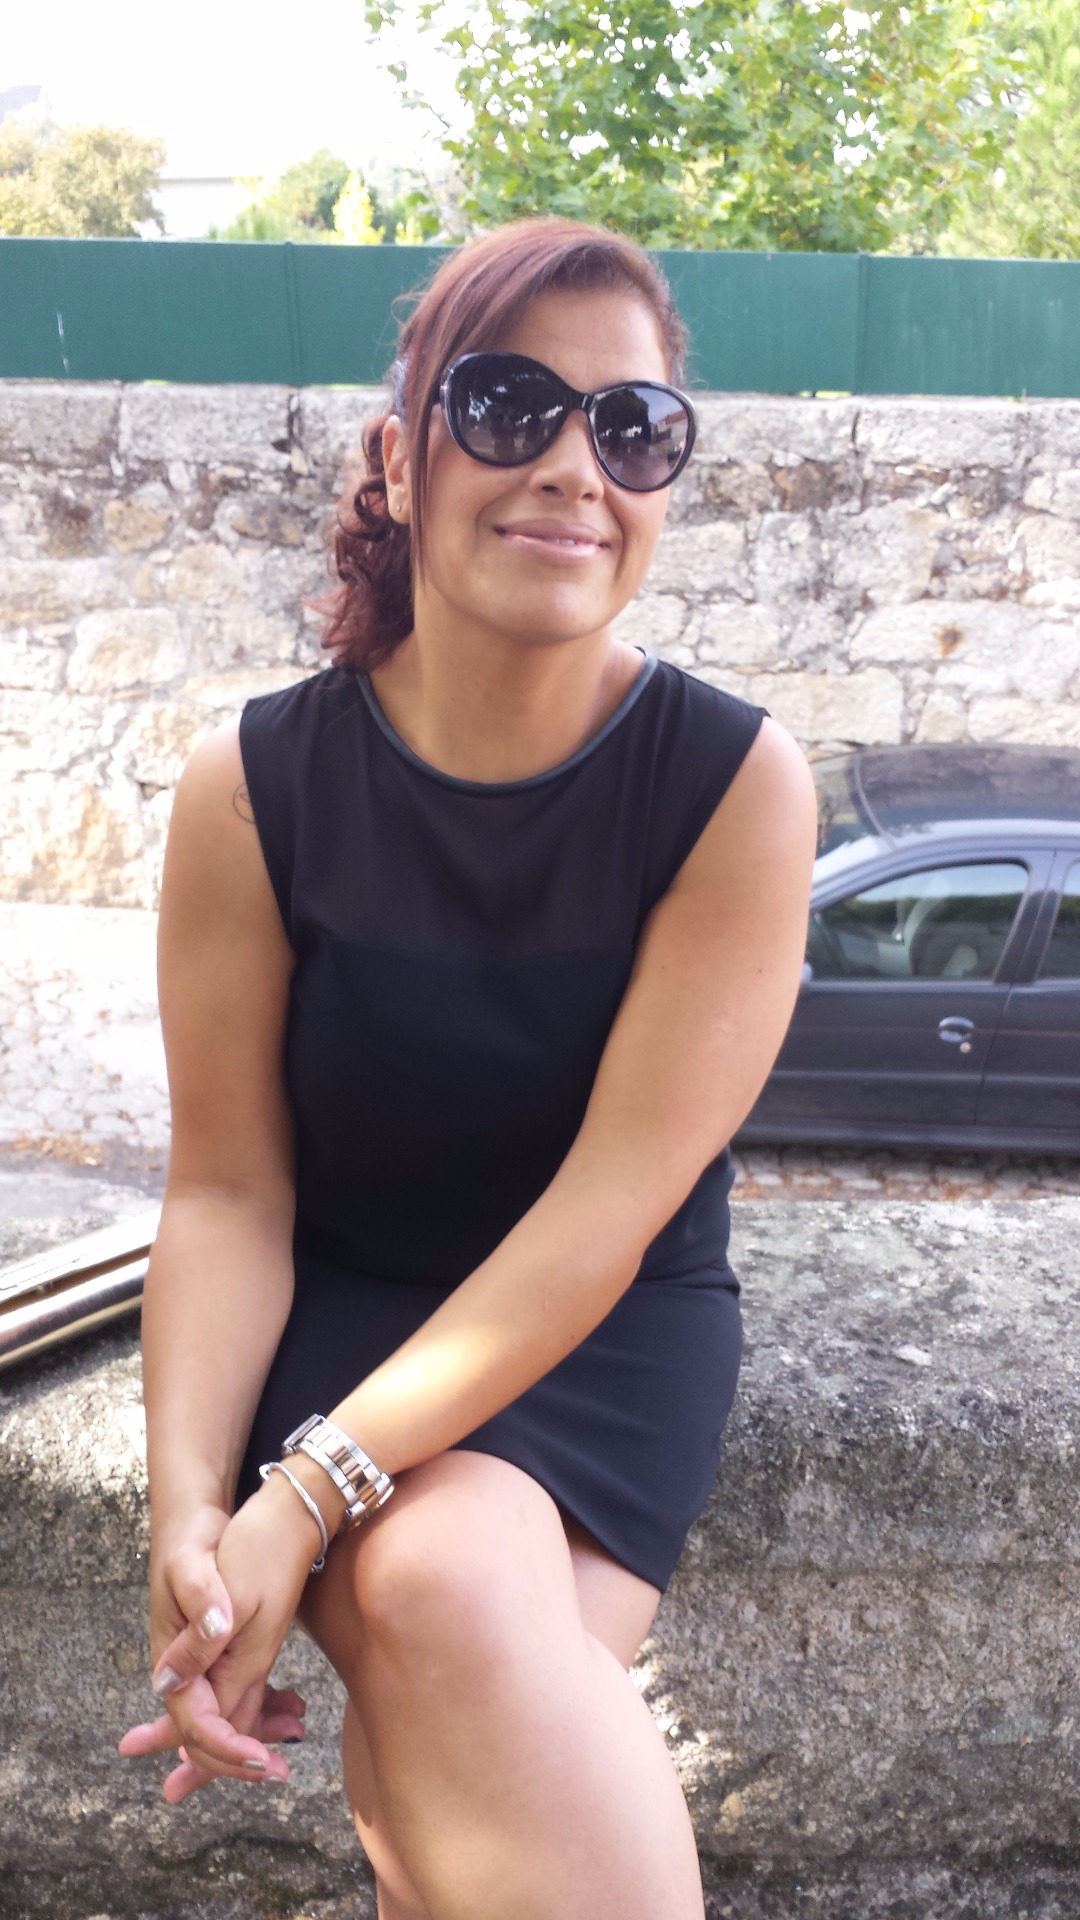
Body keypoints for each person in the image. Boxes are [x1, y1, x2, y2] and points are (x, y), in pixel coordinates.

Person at [118, 216, 817, 1920]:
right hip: (346, 1302)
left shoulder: (735, 787)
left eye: (634, 428)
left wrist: (303, 1495)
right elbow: (227, 1192)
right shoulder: (252, 786)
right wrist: (191, 1516)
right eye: (510, 405)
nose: (576, 466)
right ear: (397, 455)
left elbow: (605, 1217)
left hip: (604, 1320)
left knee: (436, 1612)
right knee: (450, 1642)